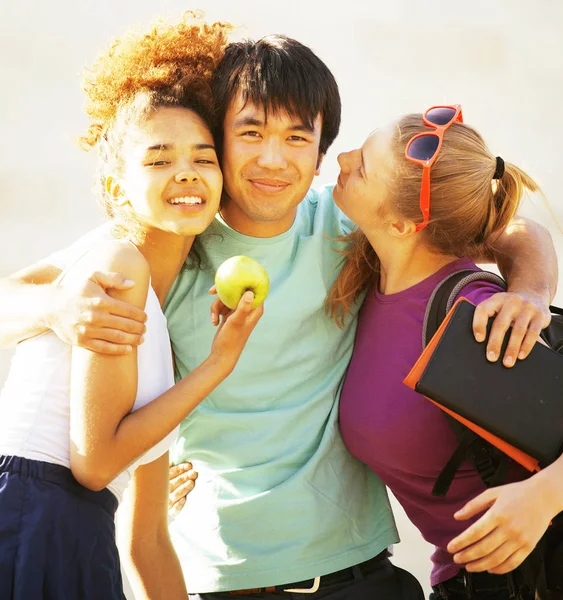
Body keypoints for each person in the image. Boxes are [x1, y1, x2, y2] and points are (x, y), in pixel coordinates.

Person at [0, 36, 558, 599]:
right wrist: (55, 306)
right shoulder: (170, 241)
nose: (272, 158)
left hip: (360, 575)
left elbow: (503, 226)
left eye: (297, 137)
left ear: (320, 153)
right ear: (219, 139)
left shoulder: (350, 229)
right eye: (250, 133)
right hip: (219, 579)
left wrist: (531, 290)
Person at [0, 14, 264, 600]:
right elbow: (94, 464)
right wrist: (218, 366)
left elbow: (146, 540)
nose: (186, 173)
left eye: (203, 157)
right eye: (159, 159)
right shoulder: (119, 263)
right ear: (117, 187)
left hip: (81, 532)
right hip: (32, 516)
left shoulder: (161, 323)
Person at [331, 105, 562, 600]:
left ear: (402, 223)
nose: (342, 157)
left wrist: (544, 497)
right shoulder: (371, 271)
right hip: (464, 584)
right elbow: (519, 234)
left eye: (364, 167)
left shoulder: (478, 321)